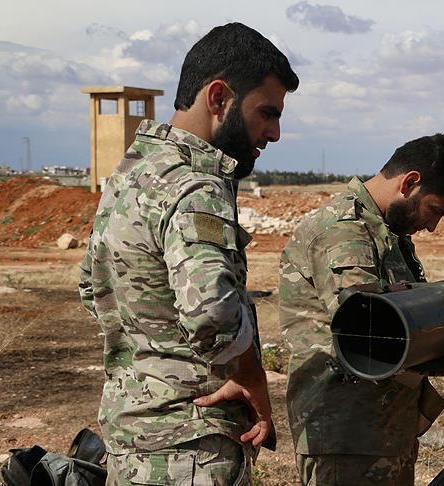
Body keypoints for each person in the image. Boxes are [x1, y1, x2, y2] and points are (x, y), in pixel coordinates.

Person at [78, 23, 298, 485]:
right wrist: (252, 377)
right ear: (218, 98)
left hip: (132, 442)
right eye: (267, 113)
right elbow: (211, 312)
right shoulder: (197, 186)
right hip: (189, 450)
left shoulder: (131, 175)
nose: (275, 133)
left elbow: (91, 287)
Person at [279, 134, 444, 485]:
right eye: (434, 210)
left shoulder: (387, 232)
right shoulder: (343, 232)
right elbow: (371, 330)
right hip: (348, 435)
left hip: (384, 427)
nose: (432, 226)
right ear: (410, 183)